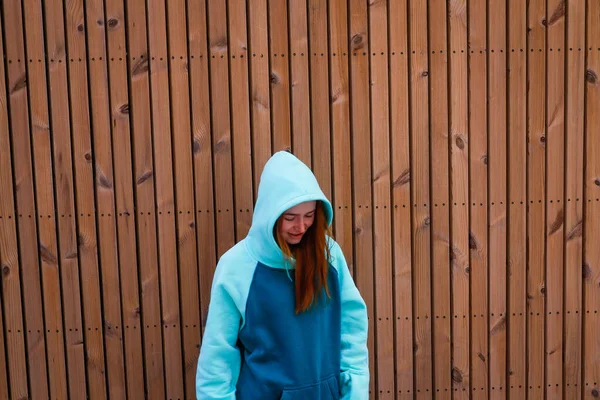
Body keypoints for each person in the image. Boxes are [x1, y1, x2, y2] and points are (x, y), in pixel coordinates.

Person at [196, 151, 369, 399]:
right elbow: (217, 358)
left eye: (309, 216)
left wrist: (355, 392)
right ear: (270, 214)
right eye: (290, 218)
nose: (301, 227)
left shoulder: (329, 255)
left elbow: (352, 328)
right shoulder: (236, 267)